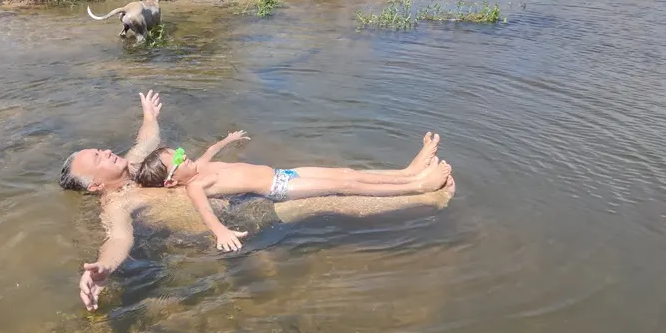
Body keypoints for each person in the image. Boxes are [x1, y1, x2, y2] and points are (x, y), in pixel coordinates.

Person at [59, 90, 457, 312]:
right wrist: (104, 270)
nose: (105, 153)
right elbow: (118, 240)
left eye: (100, 149)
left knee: (338, 181)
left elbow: (147, 137)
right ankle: (424, 198)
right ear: (94, 186)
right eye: (97, 159)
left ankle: (410, 178)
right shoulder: (116, 204)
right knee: (329, 200)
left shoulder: (133, 165)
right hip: (241, 214)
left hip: (240, 195)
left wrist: (148, 113)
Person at [134, 131, 451, 252]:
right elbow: (204, 210)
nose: (182, 155)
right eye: (176, 160)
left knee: (346, 173)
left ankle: (408, 171)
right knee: (344, 185)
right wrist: (220, 231)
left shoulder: (199, 168)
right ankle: (418, 186)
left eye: (177, 152)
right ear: (171, 182)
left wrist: (227, 140)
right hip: (280, 187)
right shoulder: (195, 186)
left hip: (284, 173)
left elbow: (210, 151)